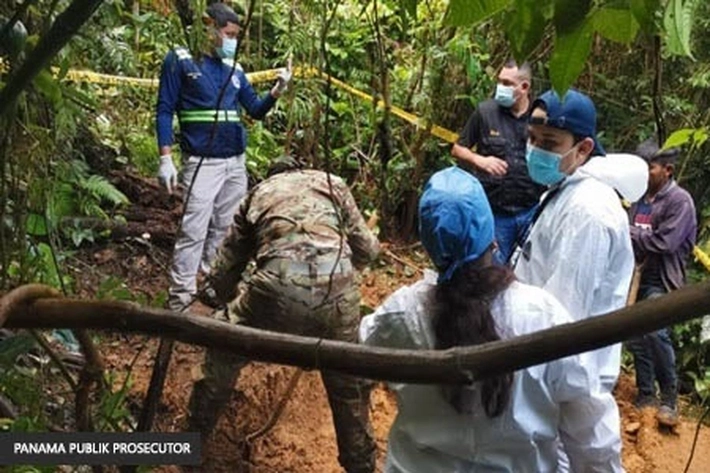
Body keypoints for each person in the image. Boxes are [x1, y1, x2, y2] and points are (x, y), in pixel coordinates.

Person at [359, 166, 622, 472]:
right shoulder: (541, 316)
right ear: (492, 238)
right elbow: (590, 430)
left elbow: (358, 355)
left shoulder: (400, 314)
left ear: (428, 244)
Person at [185, 156, 379, 473]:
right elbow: (368, 251)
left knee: (222, 350)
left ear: (272, 176)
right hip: (338, 293)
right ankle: (362, 465)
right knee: (349, 386)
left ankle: (190, 450)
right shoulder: (333, 183)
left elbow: (225, 271)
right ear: (302, 169)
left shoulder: (257, 193)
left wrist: (217, 299)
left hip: (274, 291)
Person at [156, 2, 292, 311]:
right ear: (211, 30)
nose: (233, 41)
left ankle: (210, 285)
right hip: (203, 161)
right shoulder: (180, 60)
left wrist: (275, 92)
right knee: (193, 229)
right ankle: (179, 298)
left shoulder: (235, 70)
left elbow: (254, 110)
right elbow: (164, 109)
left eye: (236, 35)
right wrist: (165, 157)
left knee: (225, 228)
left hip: (235, 162)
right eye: (229, 34)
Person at [514, 89, 647, 395]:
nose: (534, 150)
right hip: (541, 368)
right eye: (531, 138)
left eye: (549, 143)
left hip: (561, 382)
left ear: (584, 148)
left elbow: (562, 316)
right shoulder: (564, 187)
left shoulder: (588, 212)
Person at [627, 139, 697, 427]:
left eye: (650, 168)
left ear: (667, 170)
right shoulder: (639, 199)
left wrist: (629, 232)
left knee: (655, 331)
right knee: (632, 333)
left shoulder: (679, 201)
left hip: (663, 278)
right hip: (635, 277)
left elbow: (664, 242)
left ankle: (669, 399)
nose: (645, 173)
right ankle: (646, 394)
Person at [451, 60, 545, 264]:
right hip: (495, 213)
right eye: (499, 81)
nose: (500, 87)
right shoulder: (485, 112)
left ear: (524, 87)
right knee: (491, 272)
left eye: (507, 83)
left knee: (533, 268)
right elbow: (458, 148)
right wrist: (479, 160)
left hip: (532, 210)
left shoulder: (540, 116)